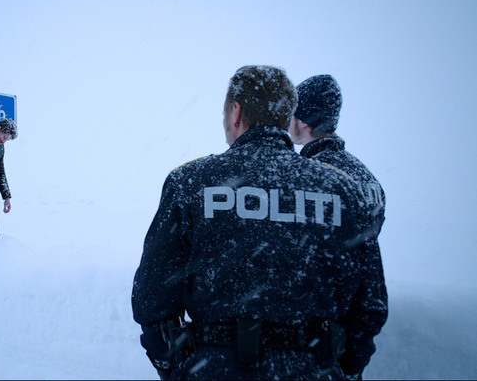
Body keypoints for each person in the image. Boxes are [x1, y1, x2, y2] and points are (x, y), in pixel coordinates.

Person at [131, 65, 387, 380]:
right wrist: (334, 365)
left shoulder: (191, 183)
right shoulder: (341, 190)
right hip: (314, 370)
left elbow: (151, 299)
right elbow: (370, 303)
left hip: (214, 369)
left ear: (235, 113)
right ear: (286, 116)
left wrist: (180, 367)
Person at [289, 74, 388, 378]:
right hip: (351, 333)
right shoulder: (368, 178)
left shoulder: (311, 179)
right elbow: (366, 263)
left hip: (313, 342)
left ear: (303, 121)